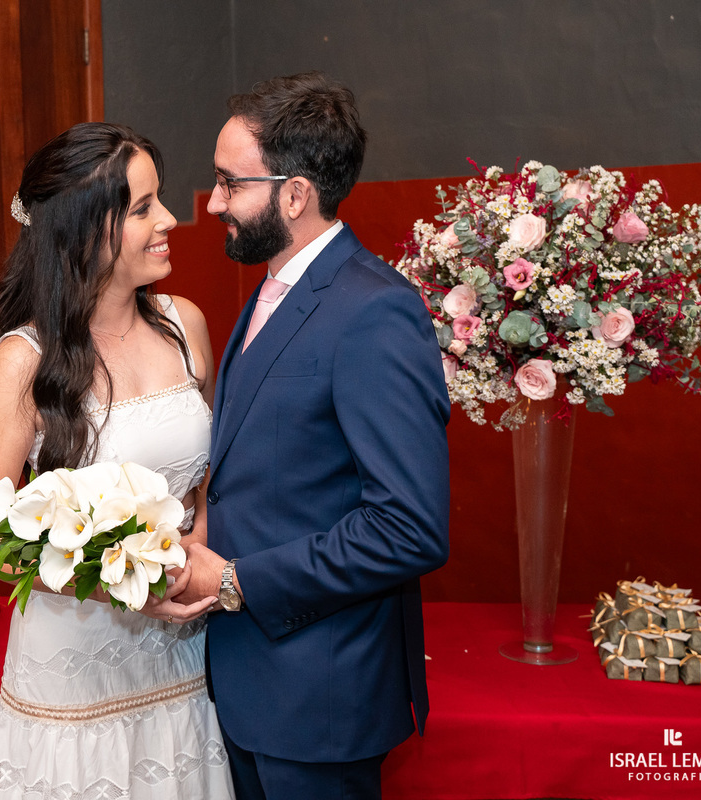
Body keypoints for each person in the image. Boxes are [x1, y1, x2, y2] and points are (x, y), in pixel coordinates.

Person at [177, 72, 452, 799]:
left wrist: (236, 581)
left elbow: (409, 528)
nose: (213, 204)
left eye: (230, 184)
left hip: (320, 698)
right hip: (249, 685)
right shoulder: (272, 290)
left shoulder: (374, 310)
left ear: (293, 194)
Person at [0, 122, 235, 800]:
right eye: (142, 208)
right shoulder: (24, 363)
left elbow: (209, 481)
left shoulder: (185, 325)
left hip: (179, 660)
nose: (169, 219)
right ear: (84, 230)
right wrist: (113, 581)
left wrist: (193, 551)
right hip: (73, 671)